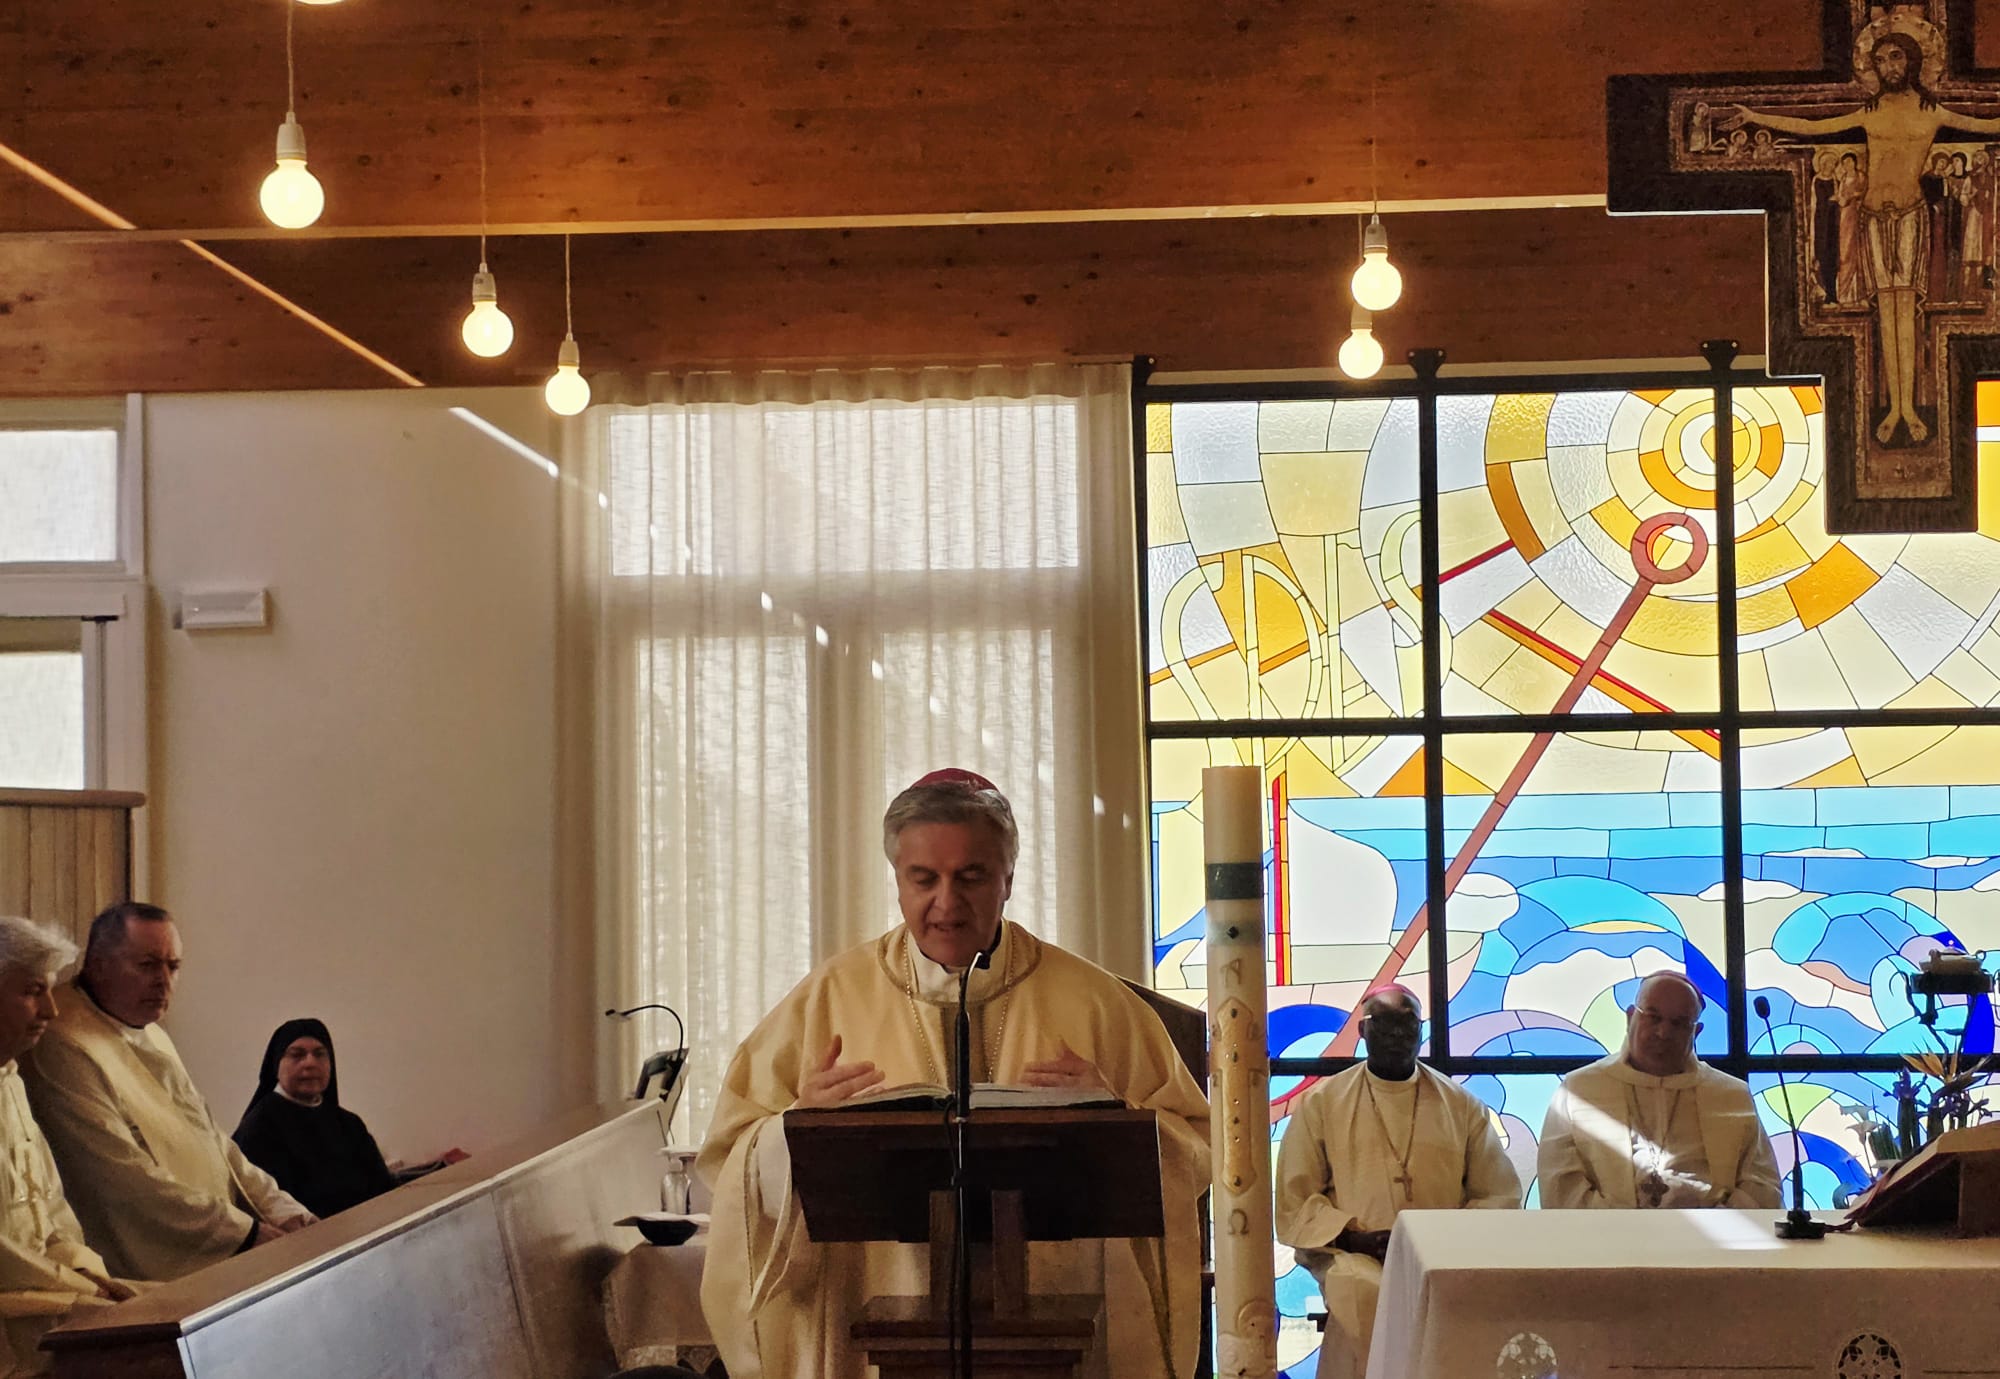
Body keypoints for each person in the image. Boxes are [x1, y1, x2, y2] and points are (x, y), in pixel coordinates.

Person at [697, 770, 1211, 1379]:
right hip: (876, 1332)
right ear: (897, 881)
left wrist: (1112, 1117)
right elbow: (730, 1156)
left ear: (1008, 878)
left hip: (1056, 1336)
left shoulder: (1095, 1004)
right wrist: (793, 1131)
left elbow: (1194, 1147)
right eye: (924, 879)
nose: (946, 902)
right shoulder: (828, 1001)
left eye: (971, 877)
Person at [1726, 27, 2000, 445]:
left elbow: (1989, 124)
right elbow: (1812, 127)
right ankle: (1894, 408)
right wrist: (1756, 117)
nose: (1889, 67)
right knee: (1886, 311)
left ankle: (1908, 407)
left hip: (1910, 216)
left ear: (1913, 60)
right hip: (1872, 217)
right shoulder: (1869, 113)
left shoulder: (1933, 112)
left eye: (1896, 57)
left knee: (1906, 312)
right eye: (1881, 61)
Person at [20, 903, 314, 1281]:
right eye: (147, 965)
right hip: (149, 1267)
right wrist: (243, 1234)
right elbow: (120, 1178)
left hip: (217, 1239)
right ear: (98, 964)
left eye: (173, 966)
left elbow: (211, 1140)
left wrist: (283, 1209)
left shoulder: (154, 1034)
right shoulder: (62, 1039)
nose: (163, 981)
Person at [1275, 983, 1520, 1379]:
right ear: (1362, 1030)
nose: (1397, 1036)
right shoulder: (1323, 1102)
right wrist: (1354, 1238)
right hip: (1354, 1256)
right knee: (1366, 1293)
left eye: (1408, 1026)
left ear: (1421, 1031)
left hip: (1444, 1256)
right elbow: (1296, 1198)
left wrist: (1440, 1238)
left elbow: (1498, 1193)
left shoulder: (1460, 1104)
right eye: (1385, 1025)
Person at [0, 918, 138, 1376]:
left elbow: (51, 1207)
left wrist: (87, 1273)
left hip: (48, 1291)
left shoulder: (11, 1080)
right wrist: (76, 1289)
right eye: (33, 991)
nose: (51, 1010)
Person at [1537, 970, 1781, 1210]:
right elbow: (1561, 1188)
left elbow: (1761, 1185)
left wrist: (1716, 1223)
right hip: (1607, 1235)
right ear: (1630, 1017)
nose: (1664, 1033)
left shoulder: (1731, 1095)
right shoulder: (1578, 1091)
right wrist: (1624, 1229)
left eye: (1679, 1023)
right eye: (1653, 1017)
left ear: (1696, 1032)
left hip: (1712, 1234)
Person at [232, 1019, 395, 1219]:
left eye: (319, 1054)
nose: (310, 1063)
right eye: (297, 1055)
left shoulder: (350, 1124)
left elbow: (386, 1192)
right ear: (276, 1065)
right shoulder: (258, 1130)